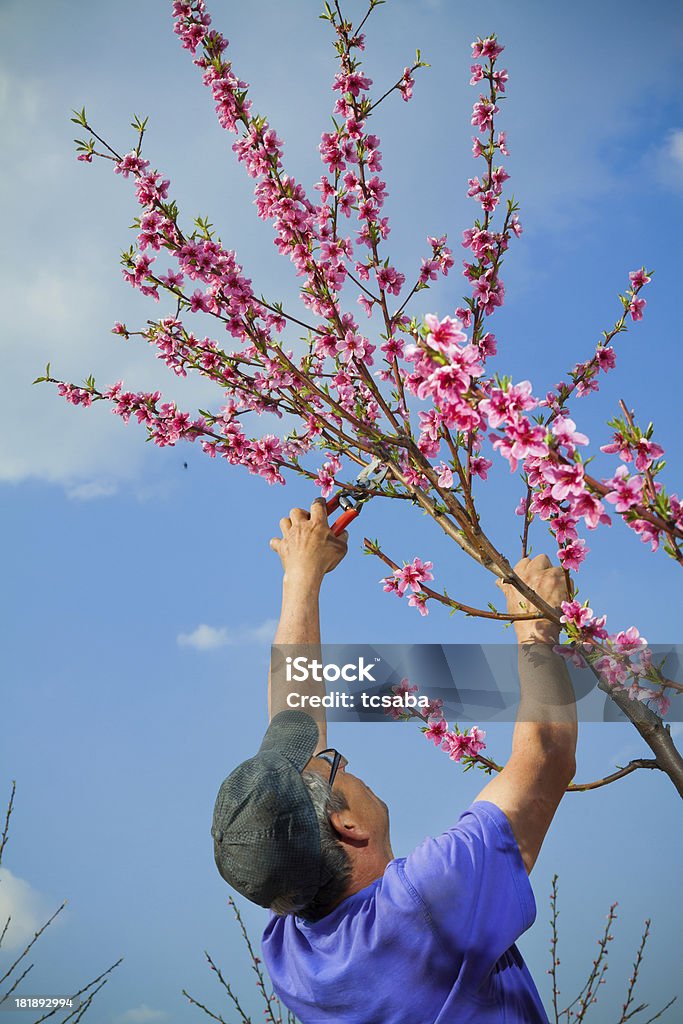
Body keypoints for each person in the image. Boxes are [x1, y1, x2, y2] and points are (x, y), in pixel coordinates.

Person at [211, 498, 577, 1023]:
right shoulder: (429, 901)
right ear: (349, 825)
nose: (334, 756)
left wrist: (302, 576)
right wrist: (535, 631)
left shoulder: (292, 954)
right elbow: (546, 757)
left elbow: (294, 719)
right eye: (330, 762)